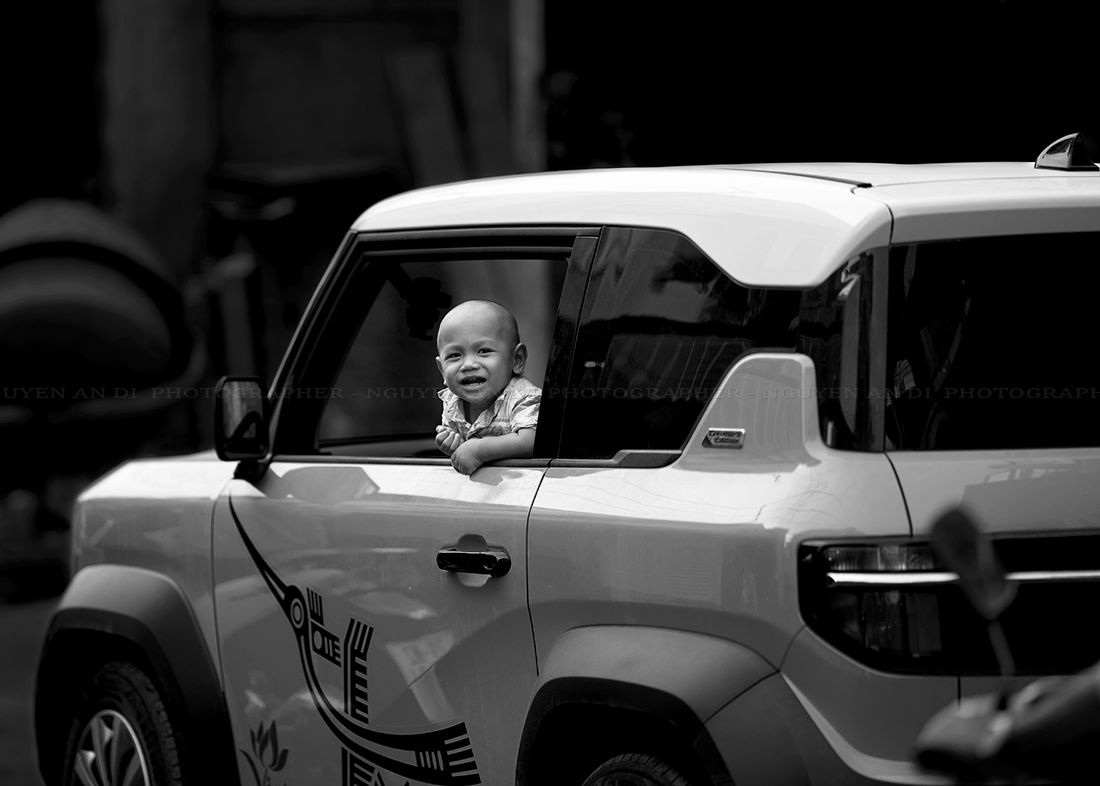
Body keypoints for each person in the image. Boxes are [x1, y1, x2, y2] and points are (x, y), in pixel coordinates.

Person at [434, 300, 540, 474]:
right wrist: (452, 445)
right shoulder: (452, 402)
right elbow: (463, 451)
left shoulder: (523, 397)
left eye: (483, 351)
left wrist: (479, 450)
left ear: (516, 359)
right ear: (442, 370)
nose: (468, 364)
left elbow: (532, 440)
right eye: (455, 355)